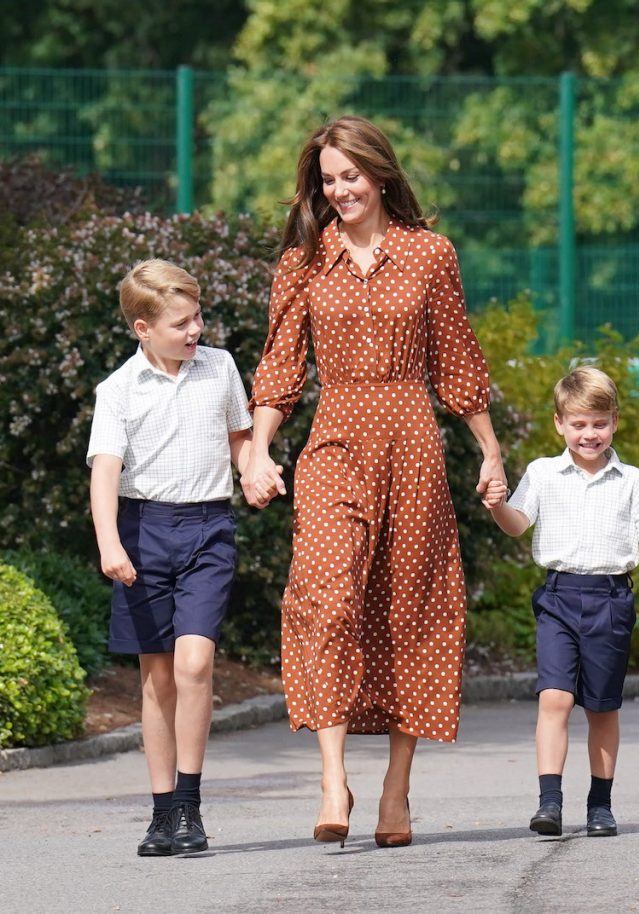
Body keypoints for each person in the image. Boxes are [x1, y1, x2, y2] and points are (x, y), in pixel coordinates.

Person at [241, 115, 506, 849]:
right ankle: (333, 779)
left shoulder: (429, 254)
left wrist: (489, 451)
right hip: (334, 439)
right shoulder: (304, 260)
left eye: (351, 176)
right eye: (328, 180)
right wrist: (258, 451)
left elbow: (457, 359)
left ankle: (396, 790)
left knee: (406, 608)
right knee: (324, 594)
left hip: (412, 441)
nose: (339, 190)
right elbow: (281, 366)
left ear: (381, 175)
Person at [88, 259, 254, 856]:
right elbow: (105, 472)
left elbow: (239, 438)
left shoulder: (220, 367)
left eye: (197, 317)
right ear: (143, 328)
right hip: (143, 533)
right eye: (181, 323)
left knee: (194, 665)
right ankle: (162, 814)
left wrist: (254, 469)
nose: (195, 330)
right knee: (157, 678)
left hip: (208, 528)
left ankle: (189, 805)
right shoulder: (118, 390)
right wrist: (110, 542)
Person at [486, 366, 639, 838]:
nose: (589, 434)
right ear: (559, 424)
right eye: (578, 424)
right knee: (554, 698)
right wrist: (497, 506)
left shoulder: (631, 480)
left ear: (614, 422)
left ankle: (600, 805)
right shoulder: (542, 473)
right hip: (558, 597)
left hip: (610, 600)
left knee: (601, 708)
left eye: (599, 423)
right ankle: (549, 802)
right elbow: (517, 523)